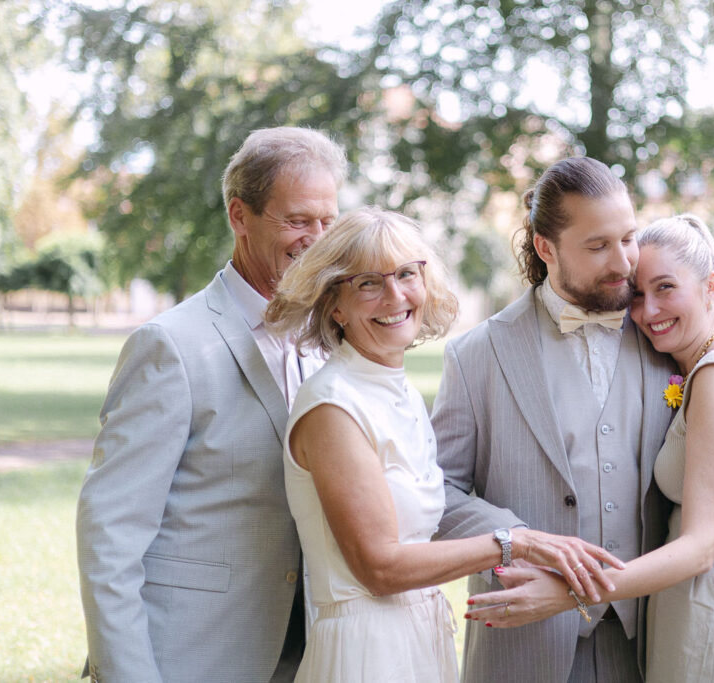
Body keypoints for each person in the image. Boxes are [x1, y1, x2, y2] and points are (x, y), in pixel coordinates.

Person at [431, 156, 714, 683]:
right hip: (525, 636)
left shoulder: (665, 331)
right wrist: (517, 540)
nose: (623, 264)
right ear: (546, 249)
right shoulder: (478, 354)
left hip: (649, 636)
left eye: (628, 239)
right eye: (597, 246)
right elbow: (438, 492)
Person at [262, 206, 625, 683]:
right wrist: (514, 543)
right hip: (365, 653)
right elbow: (381, 569)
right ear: (335, 304)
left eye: (406, 274)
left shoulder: (398, 390)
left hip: (422, 641)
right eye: (368, 283)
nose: (395, 295)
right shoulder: (333, 406)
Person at [76, 126, 346, 683]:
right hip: (192, 656)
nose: (317, 239)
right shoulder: (170, 345)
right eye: (297, 220)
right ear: (239, 216)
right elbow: (109, 535)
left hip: (313, 655)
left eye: (328, 221)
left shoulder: (331, 339)